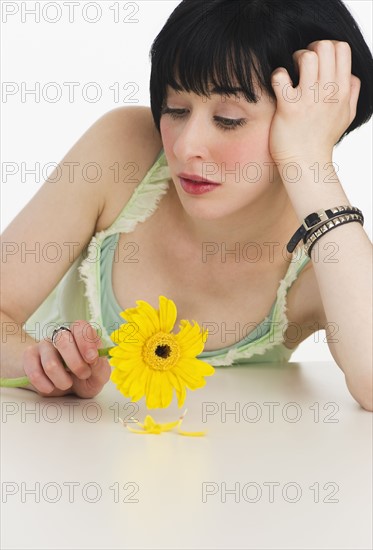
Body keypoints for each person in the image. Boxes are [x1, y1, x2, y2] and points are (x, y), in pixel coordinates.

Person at [1, 0, 372, 409]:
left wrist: (309, 163)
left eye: (229, 119)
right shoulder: (123, 152)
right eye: (175, 109)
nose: (185, 145)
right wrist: (36, 364)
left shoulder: (322, 262)